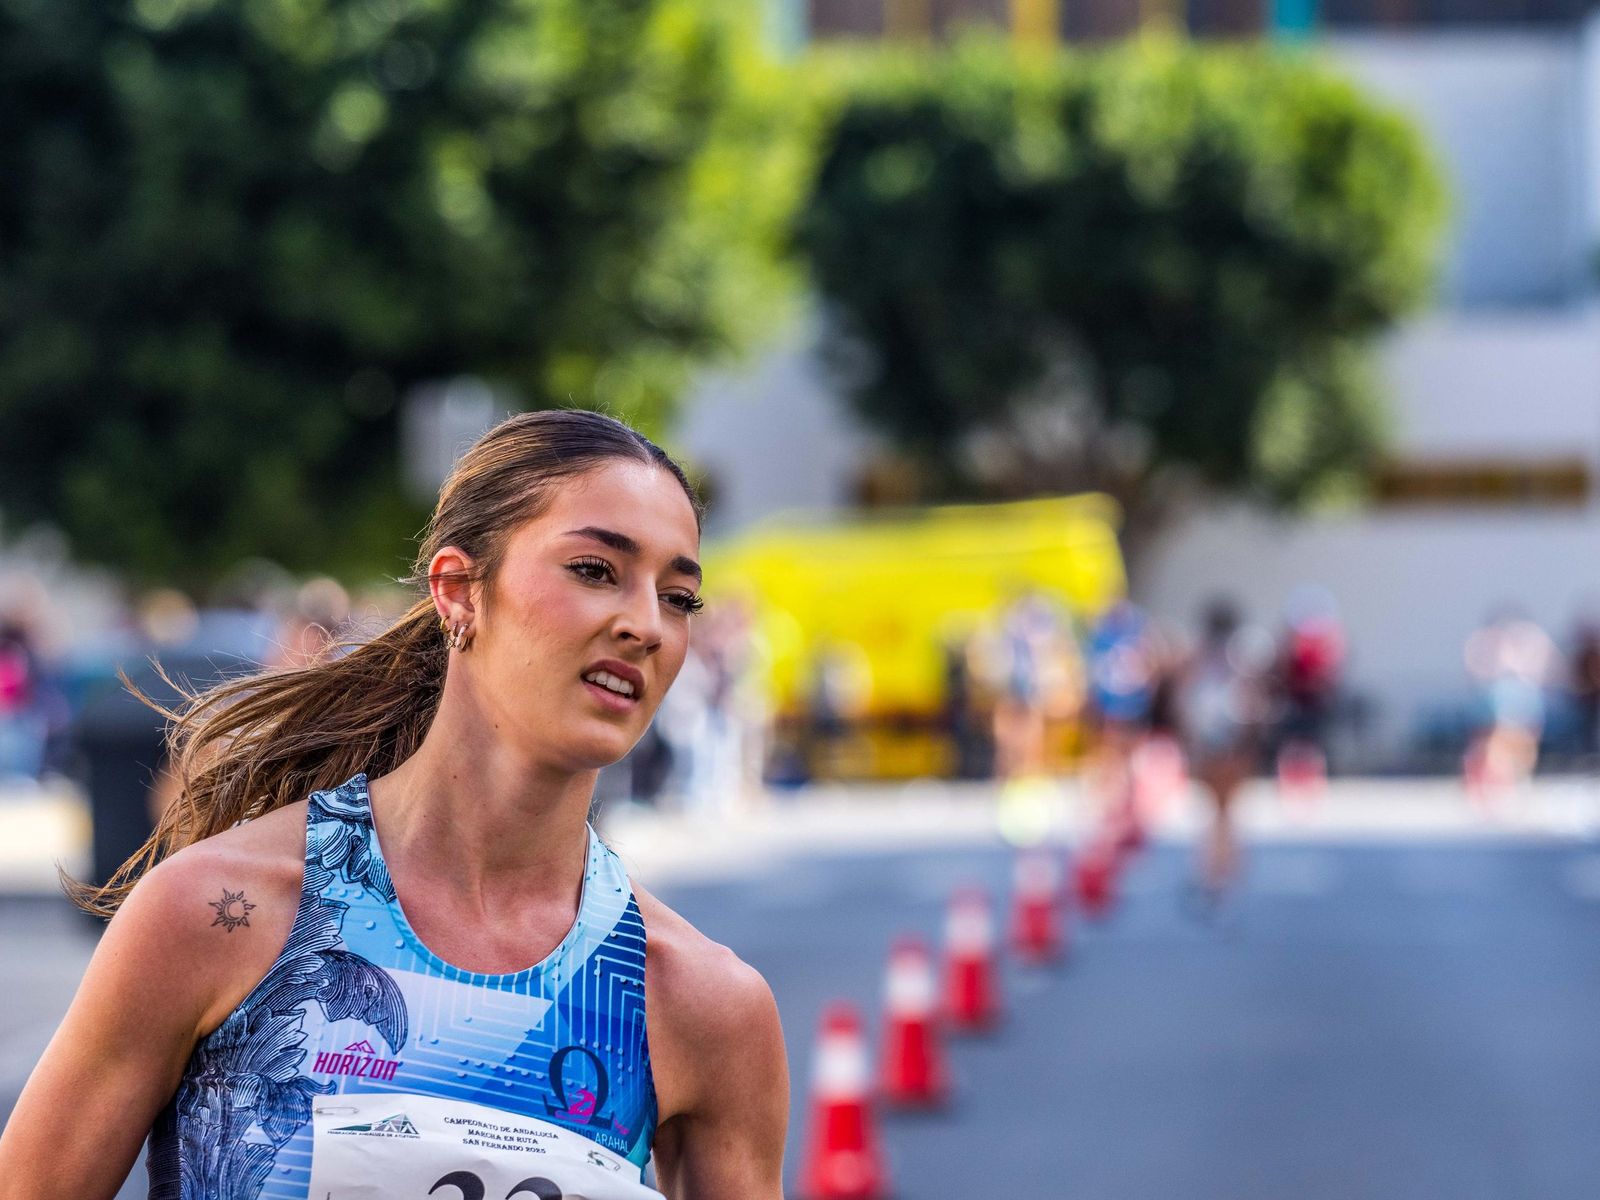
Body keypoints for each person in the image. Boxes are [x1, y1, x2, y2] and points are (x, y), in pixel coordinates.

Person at [0, 410, 789, 1199]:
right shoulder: (222, 912)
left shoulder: (696, 1001)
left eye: (679, 597)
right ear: (457, 591)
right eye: (594, 569)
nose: (645, 624)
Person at [1178, 599, 1266, 907]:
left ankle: (1212, 874)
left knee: (1214, 815)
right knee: (1226, 815)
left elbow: (1185, 706)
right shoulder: (1241, 660)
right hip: (1232, 747)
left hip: (1209, 747)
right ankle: (1223, 875)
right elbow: (1254, 708)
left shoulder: (1199, 660)